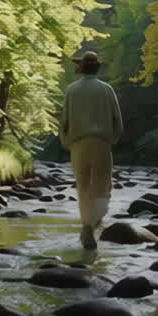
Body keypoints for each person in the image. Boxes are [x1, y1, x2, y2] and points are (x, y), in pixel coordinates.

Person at [58, 51, 122, 249]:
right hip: (102, 143)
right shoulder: (107, 89)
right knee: (102, 186)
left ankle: (87, 226)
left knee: (83, 186)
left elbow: (64, 121)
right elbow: (117, 121)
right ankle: (95, 222)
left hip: (78, 144)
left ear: (82, 67)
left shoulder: (71, 90)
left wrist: (67, 143)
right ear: (96, 68)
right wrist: (112, 140)